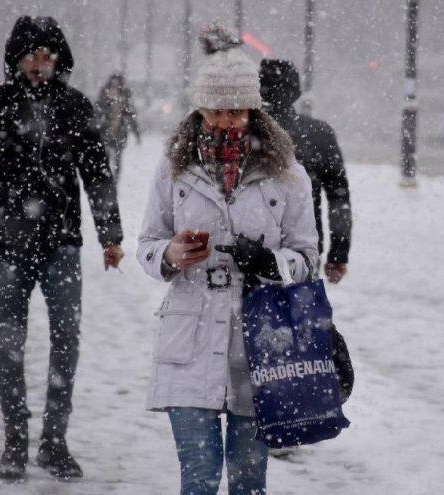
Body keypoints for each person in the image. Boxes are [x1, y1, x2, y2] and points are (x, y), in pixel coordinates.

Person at [137, 25, 318, 495]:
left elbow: (306, 259)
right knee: (197, 480)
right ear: (199, 110)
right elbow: (148, 245)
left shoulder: (288, 175)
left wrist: (270, 263)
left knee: (247, 481)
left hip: (259, 347)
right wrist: (171, 255)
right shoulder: (174, 169)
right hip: (189, 341)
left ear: (254, 112)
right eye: (215, 109)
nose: (225, 121)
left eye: (236, 110)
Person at [0, 16, 124, 480]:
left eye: (47, 55)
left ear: (59, 60)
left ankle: (54, 441)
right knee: (10, 345)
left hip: (61, 244)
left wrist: (111, 236)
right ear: (15, 58)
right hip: (6, 246)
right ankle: (13, 442)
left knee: (66, 340)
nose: (39, 64)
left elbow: (98, 176)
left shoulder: (74, 107)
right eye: (30, 55)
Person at [258, 59, 352, 284]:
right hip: (303, 250)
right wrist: (338, 253)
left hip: (249, 250)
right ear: (296, 93)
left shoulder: (243, 132)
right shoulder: (319, 134)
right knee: (296, 314)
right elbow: (339, 198)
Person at [94, 73, 141, 180]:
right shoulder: (104, 95)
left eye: (117, 84)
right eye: (113, 85)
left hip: (120, 132)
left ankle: (115, 180)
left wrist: (137, 133)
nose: (114, 88)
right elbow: (97, 111)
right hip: (106, 131)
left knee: (117, 158)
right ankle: (106, 178)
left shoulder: (125, 97)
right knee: (105, 156)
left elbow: (131, 116)